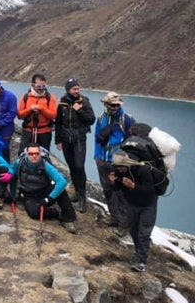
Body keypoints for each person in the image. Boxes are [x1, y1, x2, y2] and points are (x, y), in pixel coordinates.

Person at [109, 150, 157, 272]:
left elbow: (150, 190)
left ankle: (141, 261)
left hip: (147, 205)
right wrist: (113, 182)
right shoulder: (118, 171)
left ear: (127, 164)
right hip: (131, 203)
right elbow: (117, 188)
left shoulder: (143, 170)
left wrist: (134, 186)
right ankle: (138, 254)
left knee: (143, 233)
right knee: (134, 231)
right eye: (117, 168)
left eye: (121, 168)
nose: (119, 171)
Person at [94, 91, 135, 236]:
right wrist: (97, 157)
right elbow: (97, 138)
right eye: (112, 104)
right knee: (107, 190)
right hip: (102, 160)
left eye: (117, 105)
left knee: (120, 193)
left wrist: (125, 162)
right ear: (106, 104)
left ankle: (124, 224)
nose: (115, 107)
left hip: (118, 163)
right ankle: (114, 217)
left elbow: (131, 141)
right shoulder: (101, 119)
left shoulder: (127, 119)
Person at [14, 143, 78, 234]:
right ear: (26, 154)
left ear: (40, 154)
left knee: (60, 190)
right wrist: (13, 195)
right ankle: (54, 213)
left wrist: (49, 198)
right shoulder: (19, 163)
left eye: (37, 153)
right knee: (34, 213)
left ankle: (68, 219)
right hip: (29, 196)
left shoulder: (45, 165)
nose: (34, 156)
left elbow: (62, 182)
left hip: (45, 192)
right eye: (31, 154)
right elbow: (12, 177)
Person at [55, 78, 96, 213]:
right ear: (68, 90)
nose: (77, 91)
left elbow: (91, 120)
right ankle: (77, 193)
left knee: (79, 166)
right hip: (66, 139)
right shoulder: (62, 102)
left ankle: (82, 197)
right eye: (74, 89)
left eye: (78, 88)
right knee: (72, 167)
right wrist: (58, 140)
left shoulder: (84, 102)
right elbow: (58, 122)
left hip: (79, 139)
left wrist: (80, 111)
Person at [17, 73, 57, 153]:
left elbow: (53, 115)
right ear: (32, 85)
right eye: (38, 86)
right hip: (28, 131)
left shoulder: (50, 98)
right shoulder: (26, 97)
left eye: (43, 86)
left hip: (44, 132)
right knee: (23, 153)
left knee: (44, 155)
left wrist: (42, 109)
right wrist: (29, 109)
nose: (41, 89)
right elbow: (19, 115)